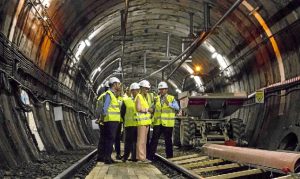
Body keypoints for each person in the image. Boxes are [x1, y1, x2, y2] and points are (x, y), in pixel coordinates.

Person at [148, 81, 179, 160]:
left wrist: (169, 104)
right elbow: (152, 108)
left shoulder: (171, 98)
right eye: (160, 89)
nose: (161, 91)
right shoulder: (156, 99)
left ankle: (170, 157)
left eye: (163, 89)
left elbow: (177, 107)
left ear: (166, 90)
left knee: (168, 140)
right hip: (158, 123)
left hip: (168, 124)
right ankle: (150, 156)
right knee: (154, 140)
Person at [102, 77, 121, 164]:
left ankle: (108, 157)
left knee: (111, 139)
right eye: (118, 84)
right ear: (114, 84)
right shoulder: (109, 94)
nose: (119, 86)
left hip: (113, 121)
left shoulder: (113, 94)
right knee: (110, 139)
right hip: (110, 121)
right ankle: (107, 158)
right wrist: (103, 119)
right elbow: (105, 107)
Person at [135, 80, 153, 163]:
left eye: (148, 89)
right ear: (141, 88)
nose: (147, 90)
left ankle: (143, 157)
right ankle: (140, 158)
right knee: (141, 140)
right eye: (146, 89)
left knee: (144, 141)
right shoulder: (138, 96)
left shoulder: (144, 98)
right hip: (141, 123)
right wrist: (147, 109)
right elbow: (138, 109)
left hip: (146, 123)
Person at [121, 82, 140, 162]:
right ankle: (127, 157)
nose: (135, 92)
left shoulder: (140, 100)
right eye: (134, 90)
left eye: (136, 90)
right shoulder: (126, 100)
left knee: (134, 141)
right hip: (130, 124)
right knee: (130, 141)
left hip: (136, 124)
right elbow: (122, 112)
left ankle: (133, 157)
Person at [95, 81, 109, 162]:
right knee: (104, 139)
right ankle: (101, 156)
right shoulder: (105, 96)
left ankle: (102, 155)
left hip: (104, 120)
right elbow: (100, 110)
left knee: (103, 139)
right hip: (103, 121)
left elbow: (98, 110)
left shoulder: (104, 96)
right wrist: (100, 118)